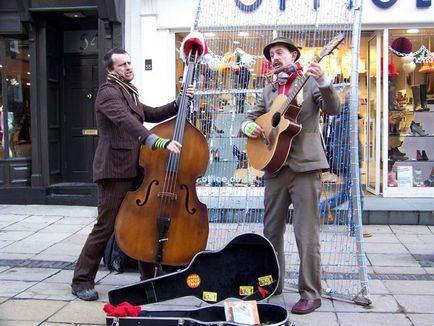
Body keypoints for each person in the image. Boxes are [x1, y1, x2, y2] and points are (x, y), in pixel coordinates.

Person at [71, 48, 194, 301]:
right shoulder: (108, 93)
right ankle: (81, 280)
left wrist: (178, 102)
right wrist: (156, 142)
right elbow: (128, 122)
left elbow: (149, 113)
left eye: (129, 62)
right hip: (115, 170)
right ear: (110, 70)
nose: (128, 67)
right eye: (121, 65)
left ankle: (149, 277)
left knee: (143, 222)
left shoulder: (129, 92)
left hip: (136, 168)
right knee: (105, 227)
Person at [240, 37, 341, 314]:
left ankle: (310, 292)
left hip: (305, 166)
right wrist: (249, 127)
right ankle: (273, 283)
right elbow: (252, 117)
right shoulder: (268, 89)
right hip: (274, 166)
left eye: (280, 52)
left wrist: (324, 81)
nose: (274, 57)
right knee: (271, 230)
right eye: (271, 54)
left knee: (305, 233)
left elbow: (334, 108)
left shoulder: (309, 82)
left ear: (294, 55)